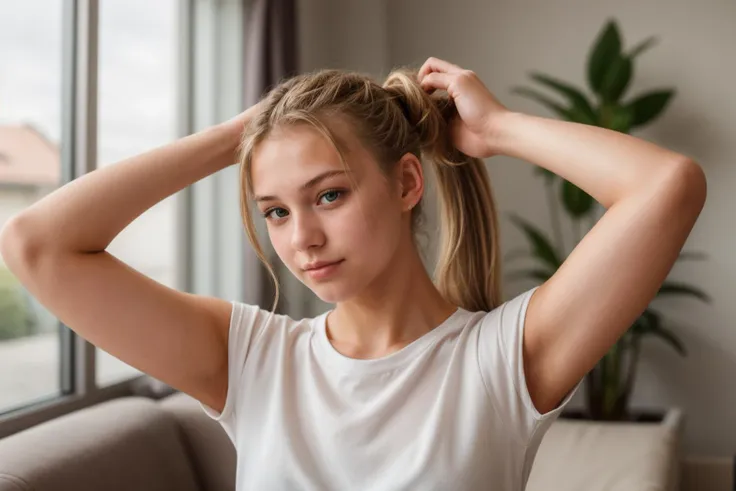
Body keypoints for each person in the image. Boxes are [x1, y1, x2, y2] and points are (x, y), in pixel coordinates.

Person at [0, 57, 706, 490]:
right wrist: (239, 137)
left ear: (407, 183)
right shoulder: (251, 359)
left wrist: (497, 130)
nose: (302, 238)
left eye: (328, 194)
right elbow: (37, 242)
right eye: (274, 210)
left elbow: (667, 186)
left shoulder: (503, 358)